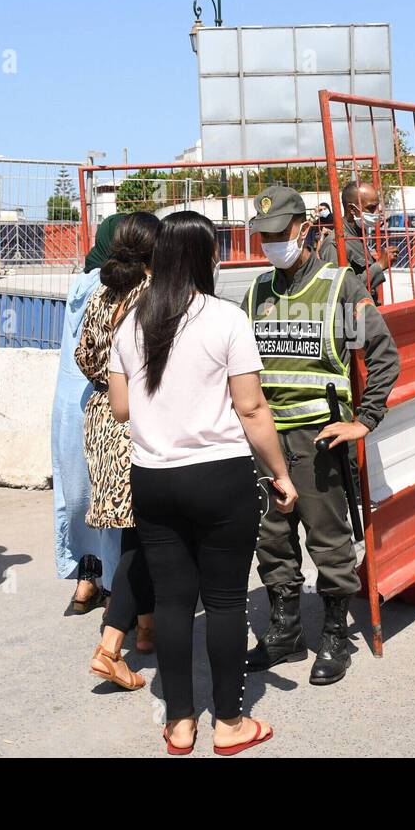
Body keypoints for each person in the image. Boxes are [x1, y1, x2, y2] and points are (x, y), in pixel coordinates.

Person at [108, 210, 297, 755]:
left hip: (154, 478)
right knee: (224, 600)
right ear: (206, 257)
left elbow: (120, 409)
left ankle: (180, 722)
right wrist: (280, 474)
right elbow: (252, 407)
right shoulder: (226, 319)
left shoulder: (131, 322)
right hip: (220, 477)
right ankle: (231, 723)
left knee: (170, 602)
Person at [240, 186, 401, 685]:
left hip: (318, 438)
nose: (269, 242)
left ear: (302, 228)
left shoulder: (339, 287)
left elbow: (383, 355)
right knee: (271, 538)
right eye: (262, 234)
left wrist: (365, 420)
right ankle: (285, 631)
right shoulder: (256, 292)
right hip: (265, 441)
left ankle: (335, 635)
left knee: (328, 541)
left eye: (278, 232)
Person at [80, 211, 161, 689]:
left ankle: (146, 628)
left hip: (101, 417)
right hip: (136, 418)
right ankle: (111, 647)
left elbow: (84, 356)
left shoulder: (99, 292)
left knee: (137, 529)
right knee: (145, 534)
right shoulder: (151, 296)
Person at [52, 220, 123, 617]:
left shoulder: (78, 285)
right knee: (111, 499)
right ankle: (115, 587)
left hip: (68, 406)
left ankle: (86, 580)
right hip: (106, 404)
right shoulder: (117, 287)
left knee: (76, 496)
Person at [318, 180, 392, 303]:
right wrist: (379, 266)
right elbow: (339, 290)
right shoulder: (335, 243)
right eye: (371, 208)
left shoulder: (357, 235)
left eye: (377, 206)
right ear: (352, 209)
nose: (377, 212)